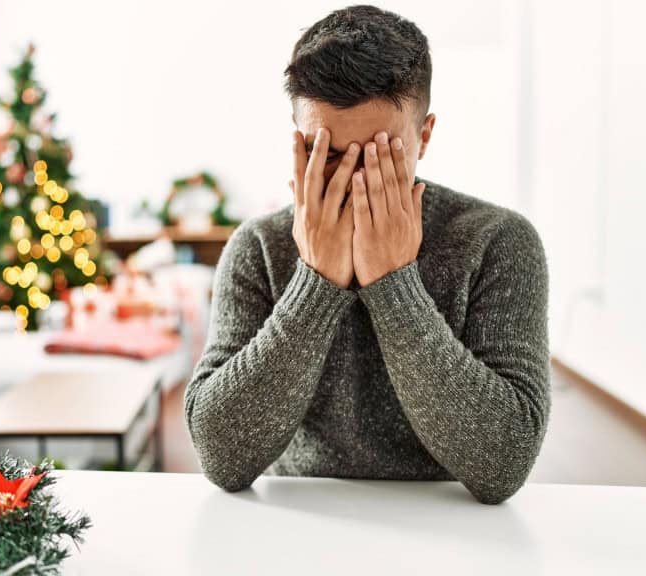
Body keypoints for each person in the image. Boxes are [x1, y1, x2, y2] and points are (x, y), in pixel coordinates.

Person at [184, 5, 550, 504]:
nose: (353, 181)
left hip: (454, 529)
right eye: (327, 154)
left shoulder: (499, 241)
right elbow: (222, 457)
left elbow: (504, 465)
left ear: (424, 136)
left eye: (380, 154)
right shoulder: (258, 247)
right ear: (297, 140)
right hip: (299, 521)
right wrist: (316, 279)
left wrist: (393, 280)